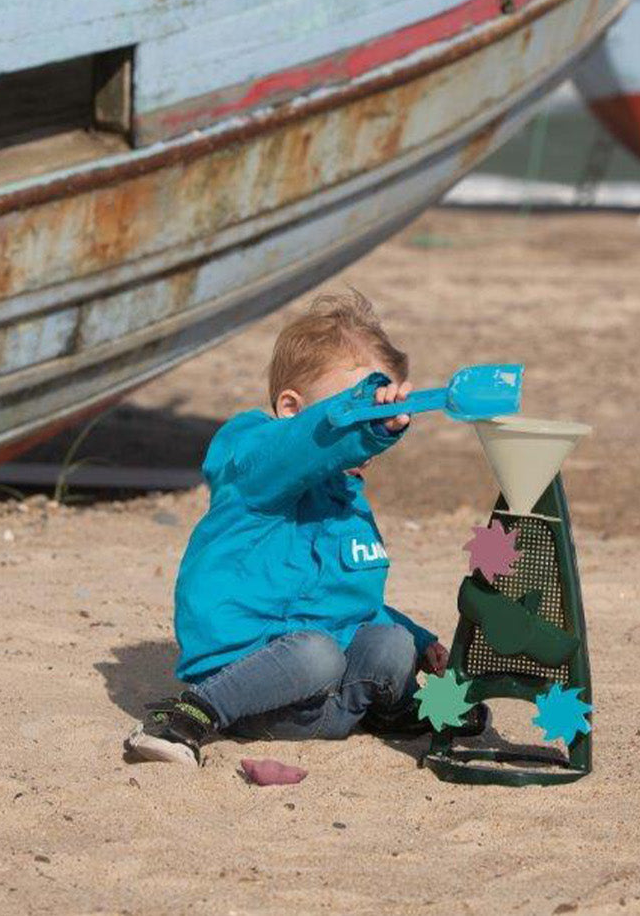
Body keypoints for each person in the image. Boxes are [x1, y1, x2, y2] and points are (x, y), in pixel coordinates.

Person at [125, 288, 483, 766]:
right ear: (293, 408)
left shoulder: (346, 501)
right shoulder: (253, 464)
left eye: (380, 413)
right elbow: (297, 449)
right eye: (359, 408)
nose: (371, 431)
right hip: (248, 688)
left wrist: (418, 641)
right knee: (317, 653)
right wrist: (360, 425)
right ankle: (193, 714)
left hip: (327, 705)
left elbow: (351, 603)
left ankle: (398, 711)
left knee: (389, 643)